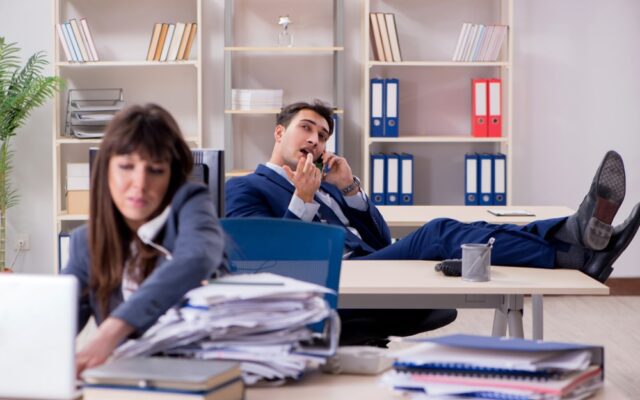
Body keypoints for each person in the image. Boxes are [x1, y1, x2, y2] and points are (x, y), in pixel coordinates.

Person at [225, 100, 640, 345]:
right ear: (279, 133)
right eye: (306, 128)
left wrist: (349, 187)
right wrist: (302, 198)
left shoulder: (328, 184)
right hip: (334, 281)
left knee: (468, 228)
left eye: (324, 134)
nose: (316, 140)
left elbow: (381, 240)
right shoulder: (245, 188)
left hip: (369, 268)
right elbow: (266, 260)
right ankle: (574, 247)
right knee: (440, 232)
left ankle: (575, 238)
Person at [63, 104, 227, 375]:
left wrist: (112, 330)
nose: (139, 183)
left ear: (171, 176)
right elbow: (59, 318)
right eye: (126, 166)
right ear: (105, 170)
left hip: (200, 376)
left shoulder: (191, 205)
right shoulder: (85, 242)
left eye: (156, 170)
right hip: (126, 382)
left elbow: (197, 256)